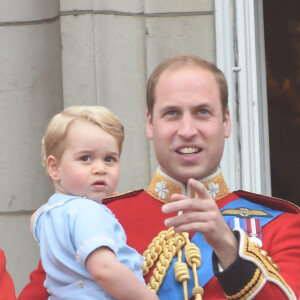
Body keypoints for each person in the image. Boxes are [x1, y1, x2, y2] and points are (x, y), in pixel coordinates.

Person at [19, 55, 300, 300]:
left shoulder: (280, 224)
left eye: (202, 112)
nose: (187, 130)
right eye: (172, 114)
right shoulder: (91, 216)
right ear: (150, 124)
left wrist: (227, 246)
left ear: (225, 122)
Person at [28, 106, 158, 300]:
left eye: (109, 159)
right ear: (54, 168)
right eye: (86, 158)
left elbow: (34, 220)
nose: (100, 168)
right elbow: (104, 270)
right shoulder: (87, 211)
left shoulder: (48, 213)